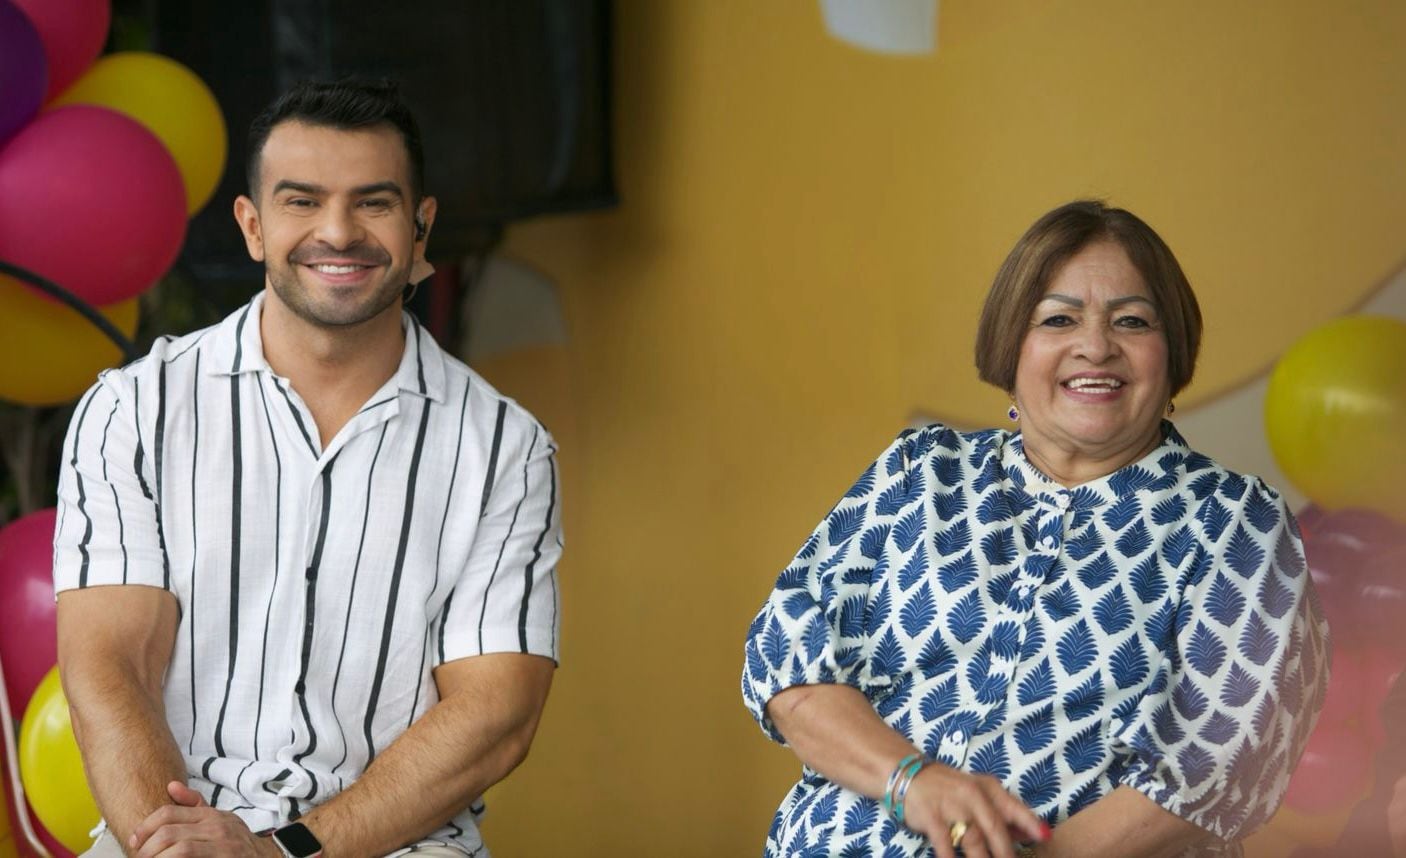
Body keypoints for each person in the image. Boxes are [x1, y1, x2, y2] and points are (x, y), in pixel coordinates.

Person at [53, 78, 561, 858]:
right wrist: (179, 845)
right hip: (161, 837)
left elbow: (496, 716)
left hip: (397, 846)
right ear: (252, 227)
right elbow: (110, 666)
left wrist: (283, 850)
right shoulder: (135, 411)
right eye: (301, 201)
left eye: (374, 203)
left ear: (421, 228)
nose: (338, 231)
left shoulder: (503, 447)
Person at [741, 200, 1328, 858]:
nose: (1096, 346)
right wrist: (914, 782)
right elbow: (787, 663)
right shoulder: (920, 472)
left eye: (1131, 321)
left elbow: (1221, 760)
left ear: (1172, 355)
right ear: (1012, 348)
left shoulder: (1234, 521)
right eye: (1059, 319)